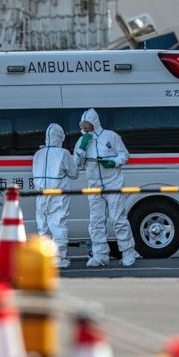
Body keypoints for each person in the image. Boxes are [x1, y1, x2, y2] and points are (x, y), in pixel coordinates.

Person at [72, 108, 137, 268]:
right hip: (94, 186)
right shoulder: (81, 141)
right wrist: (82, 149)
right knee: (96, 222)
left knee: (118, 219)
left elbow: (125, 155)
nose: (85, 128)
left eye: (87, 124)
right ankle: (100, 256)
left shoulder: (111, 136)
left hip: (113, 184)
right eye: (83, 125)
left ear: (94, 123)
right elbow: (76, 165)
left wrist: (113, 162)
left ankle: (128, 253)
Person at [32, 123, 79, 268]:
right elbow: (74, 174)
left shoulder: (38, 153)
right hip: (58, 193)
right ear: (60, 136)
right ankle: (59, 258)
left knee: (43, 226)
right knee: (58, 224)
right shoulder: (63, 153)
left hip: (41, 194)